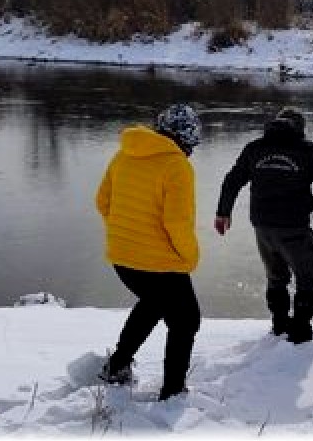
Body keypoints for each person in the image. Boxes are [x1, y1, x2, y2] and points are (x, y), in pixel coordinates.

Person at [215, 107, 313, 344]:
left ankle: (279, 325)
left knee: (276, 276)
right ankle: (300, 331)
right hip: (294, 227)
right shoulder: (308, 151)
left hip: (262, 225)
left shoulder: (254, 149)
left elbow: (232, 180)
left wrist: (223, 212)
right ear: (300, 129)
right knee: (308, 279)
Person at [95, 103, 203, 401]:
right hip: (159, 263)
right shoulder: (177, 165)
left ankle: (116, 366)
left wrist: (126, 233)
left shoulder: (125, 153)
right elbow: (177, 223)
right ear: (186, 136)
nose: (193, 148)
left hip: (122, 258)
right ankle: (173, 393)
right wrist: (190, 258)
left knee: (153, 304)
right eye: (193, 141)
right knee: (186, 320)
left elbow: (103, 202)